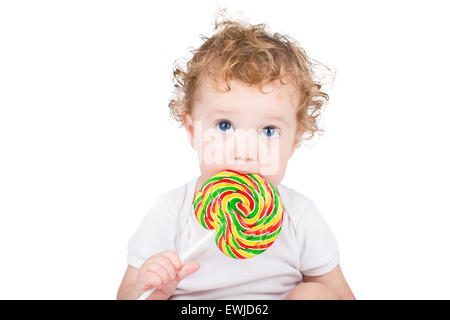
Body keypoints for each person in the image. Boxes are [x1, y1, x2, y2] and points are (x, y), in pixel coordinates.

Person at [117, 10, 355, 300]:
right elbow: (126, 295)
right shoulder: (171, 213)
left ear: (294, 142)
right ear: (193, 131)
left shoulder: (300, 217)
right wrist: (149, 286)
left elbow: (342, 296)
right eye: (225, 126)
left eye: (269, 131)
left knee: (315, 294)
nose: (245, 151)